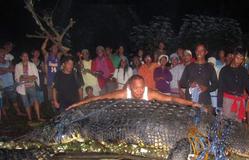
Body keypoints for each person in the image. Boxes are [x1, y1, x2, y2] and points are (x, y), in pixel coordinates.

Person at [67, 75, 201, 110]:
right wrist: (77, 104)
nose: (139, 91)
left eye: (141, 87)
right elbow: (100, 98)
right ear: (130, 87)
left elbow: (171, 99)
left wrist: (191, 103)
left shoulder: (150, 93)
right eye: (136, 88)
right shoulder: (123, 93)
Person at [218, 47, 249, 122]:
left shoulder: (243, 71)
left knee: (237, 126)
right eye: (237, 57)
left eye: (241, 59)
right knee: (225, 124)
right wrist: (219, 105)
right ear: (233, 56)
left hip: (239, 101)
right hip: (227, 101)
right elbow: (220, 88)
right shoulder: (224, 70)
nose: (239, 61)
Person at [180, 43, 218, 108]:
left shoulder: (210, 67)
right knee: (189, 118)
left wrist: (207, 88)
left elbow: (215, 84)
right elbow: (182, 82)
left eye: (202, 50)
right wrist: (189, 84)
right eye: (197, 50)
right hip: (190, 101)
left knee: (205, 118)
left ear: (206, 52)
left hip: (205, 100)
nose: (199, 53)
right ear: (195, 52)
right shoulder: (189, 67)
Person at [15, 52, 44, 122]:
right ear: (21, 57)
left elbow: (35, 77)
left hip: (31, 86)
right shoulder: (18, 66)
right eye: (24, 56)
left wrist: (24, 78)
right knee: (26, 103)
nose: (26, 58)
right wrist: (29, 78)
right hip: (22, 87)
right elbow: (17, 78)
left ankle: (38, 117)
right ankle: (30, 118)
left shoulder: (32, 65)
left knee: (35, 101)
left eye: (27, 56)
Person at [0, 48, 25, 116]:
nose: (2, 54)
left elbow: (13, 70)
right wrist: (8, 69)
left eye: (3, 53)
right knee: (2, 100)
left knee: (14, 100)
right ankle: (4, 115)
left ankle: (18, 112)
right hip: (1, 86)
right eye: (0, 52)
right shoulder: (8, 63)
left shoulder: (8, 61)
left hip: (10, 84)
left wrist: (3, 69)